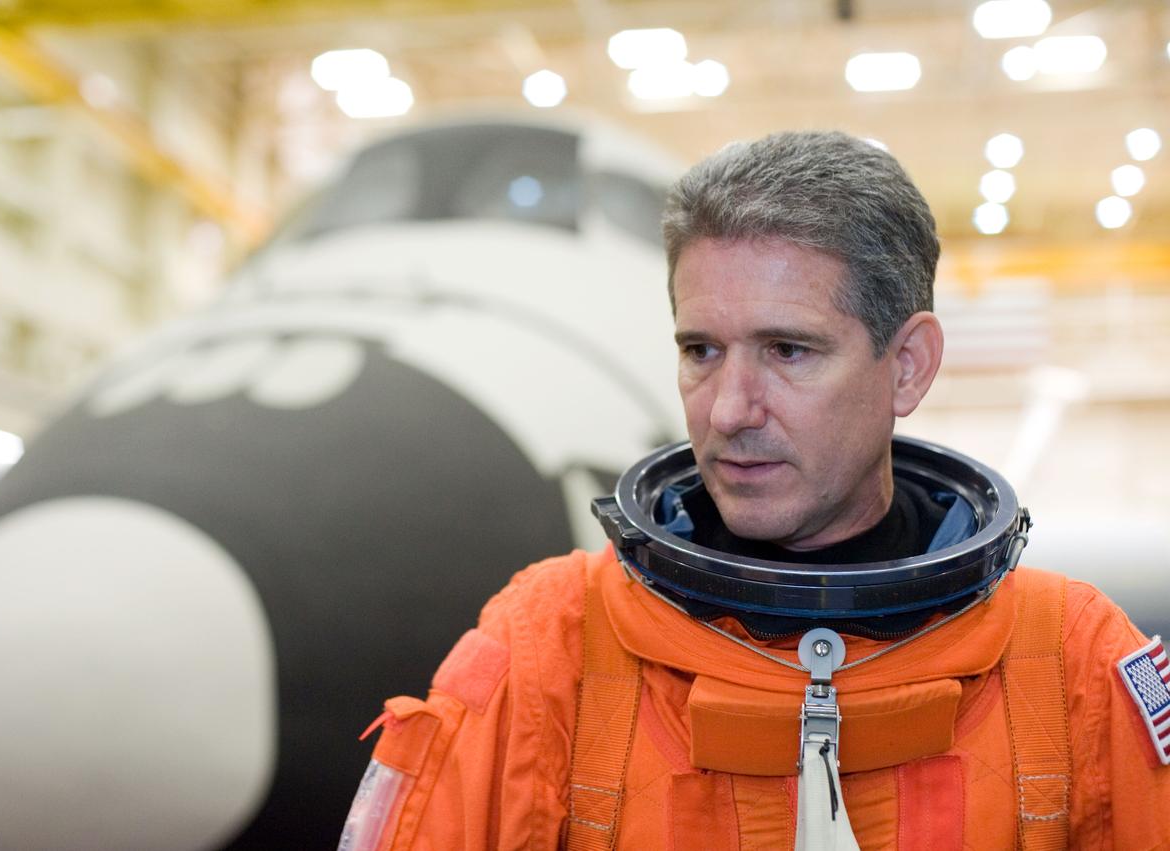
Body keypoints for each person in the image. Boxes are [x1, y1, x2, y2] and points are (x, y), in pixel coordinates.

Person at [339, 131, 1170, 850]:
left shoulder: (1072, 668)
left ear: (907, 365)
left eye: (788, 350)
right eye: (701, 350)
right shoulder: (548, 654)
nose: (729, 410)